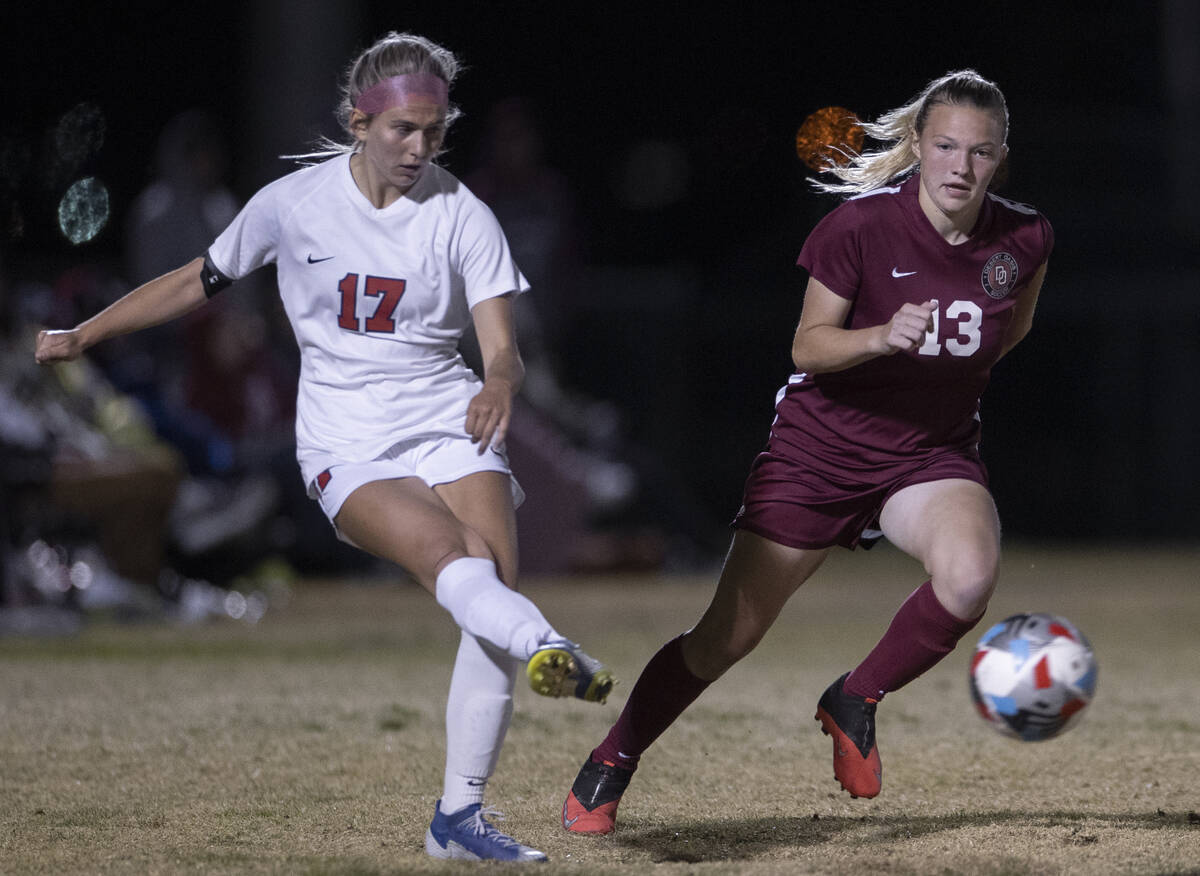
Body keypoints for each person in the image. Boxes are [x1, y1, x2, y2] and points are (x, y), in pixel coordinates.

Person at [35, 31, 615, 864]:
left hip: (451, 417)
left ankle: (459, 818)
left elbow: (502, 345)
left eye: (434, 131)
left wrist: (497, 382)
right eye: (402, 130)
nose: (419, 148)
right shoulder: (293, 203)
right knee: (462, 565)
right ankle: (548, 649)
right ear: (359, 120)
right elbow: (193, 280)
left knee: (489, 588)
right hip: (345, 438)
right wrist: (85, 333)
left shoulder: (465, 215)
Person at [561, 69, 1053, 835]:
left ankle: (854, 696)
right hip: (820, 450)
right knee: (729, 635)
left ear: (1001, 158)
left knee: (969, 579)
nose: (961, 166)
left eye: (980, 152)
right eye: (947, 146)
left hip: (928, 455)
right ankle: (613, 759)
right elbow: (809, 345)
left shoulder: (1026, 237)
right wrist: (881, 337)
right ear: (918, 146)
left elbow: (1007, 334)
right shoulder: (858, 227)